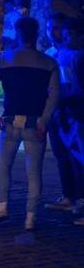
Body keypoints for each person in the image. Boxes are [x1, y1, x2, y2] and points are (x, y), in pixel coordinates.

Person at [0, 17, 60, 231]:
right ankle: (30, 217)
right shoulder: (48, 63)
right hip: (36, 124)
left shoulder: (5, 59)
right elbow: (54, 95)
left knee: (3, 166)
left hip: (8, 122)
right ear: (36, 35)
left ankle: (2, 207)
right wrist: (45, 118)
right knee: (34, 171)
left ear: (17, 34)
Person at [45, 18, 84, 216]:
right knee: (62, 155)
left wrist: (61, 99)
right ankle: (69, 195)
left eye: (57, 29)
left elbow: (74, 87)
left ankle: (79, 198)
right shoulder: (54, 53)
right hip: (58, 111)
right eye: (48, 28)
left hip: (71, 112)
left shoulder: (76, 56)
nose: (52, 33)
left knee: (76, 156)